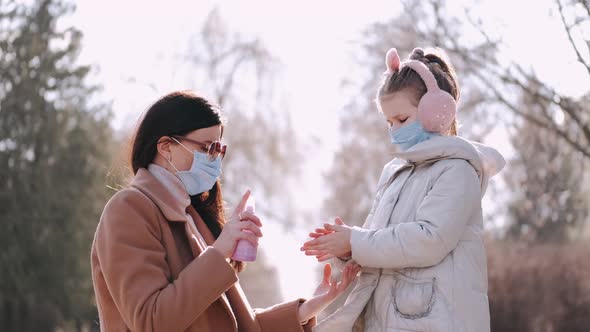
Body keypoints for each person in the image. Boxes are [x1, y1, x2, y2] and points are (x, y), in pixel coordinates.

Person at [90, 91, 361, 332]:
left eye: (219, 149)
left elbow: (227, 322)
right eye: (206, 148)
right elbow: (151, 322)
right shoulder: (128, 209)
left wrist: (307, 309)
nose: (214, 159)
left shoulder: (192, 216)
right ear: (166, 147)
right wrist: (220, 251)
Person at [301, 47, 506, 332]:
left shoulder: (457, 170)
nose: (394, 130)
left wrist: (355, 241)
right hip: (389, 321)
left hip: (435, 322)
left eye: (402, 119)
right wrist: (348, 248)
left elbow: (430, 239)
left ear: (437, 113)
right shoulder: (395, 172)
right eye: (388, 122)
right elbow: (381, 242)